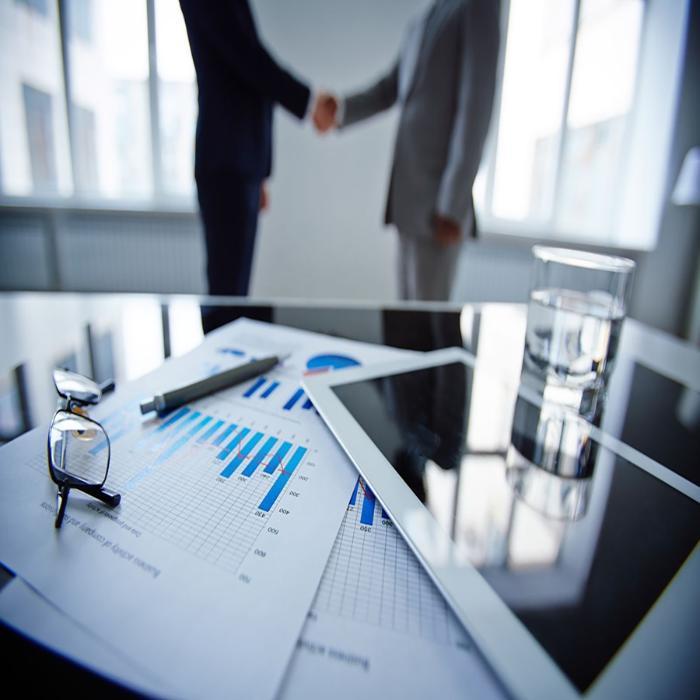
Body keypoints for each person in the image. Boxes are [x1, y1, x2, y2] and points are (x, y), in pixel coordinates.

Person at [313, 0, 500, 301]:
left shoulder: (476, 7)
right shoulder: (425, 18)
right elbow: (390, 88)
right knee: (408, 319)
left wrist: (453, 204)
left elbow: (475, 109)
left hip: (440, 204)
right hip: (408, 197)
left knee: (430, 321)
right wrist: (341, 110)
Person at [179, 0, 312, 300]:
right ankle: (219, 347)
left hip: (241, 162)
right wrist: (308, 102)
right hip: (227, 160)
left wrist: (261, 171)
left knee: (234, 290)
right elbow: (248, 61)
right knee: (226, 292)